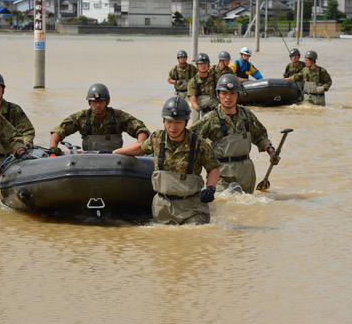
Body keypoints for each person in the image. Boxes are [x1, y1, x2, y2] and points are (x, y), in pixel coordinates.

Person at [113, 97, 220, 225]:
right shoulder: (157, 138)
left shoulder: (199, 144)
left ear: (186, 122)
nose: (173, 127)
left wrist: (211, 188)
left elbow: (213, 167)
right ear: (164, 121)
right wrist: (115, 153)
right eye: (169, 122)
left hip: (192, 207)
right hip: (163, 207)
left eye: (178, 122)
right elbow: (140, 148)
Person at [190, 74, 280, 194]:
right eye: (224, 93)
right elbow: (190, 139)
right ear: (218, 95)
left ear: (238, 95)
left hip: (246, 172)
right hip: (222, 172)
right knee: (224, 203)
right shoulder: (211, 118)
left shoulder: (247, 115)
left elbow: (260, 136)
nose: (228, 97)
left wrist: (271, 151)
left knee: (246, 207)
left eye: (232, 93)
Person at [49, 83, 150, 154]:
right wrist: (53, 147)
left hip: (116, 160)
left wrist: (139, 146)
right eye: (94, 102)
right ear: (89, 103)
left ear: (107, 102)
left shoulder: (118, 116)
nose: (97, 105)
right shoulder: (81, 118)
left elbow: (140, 129)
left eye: (101, 102)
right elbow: (59, 130)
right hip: (90, 160)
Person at [0, 71, 35, 185]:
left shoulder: (14, 110)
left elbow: (28, 131)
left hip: (9, 160)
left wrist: (25, 145)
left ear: (3, 90)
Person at [187, 52, 219, 123]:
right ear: (197, 65)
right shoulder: (193, 81)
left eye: (205, 63)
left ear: (208, 65)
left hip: (214, 109)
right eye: (200, 64)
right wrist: (198, 109)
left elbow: (221, 94)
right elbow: (193, 101)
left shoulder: (215, 78)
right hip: (199, 110)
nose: (203, 66)